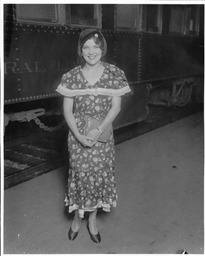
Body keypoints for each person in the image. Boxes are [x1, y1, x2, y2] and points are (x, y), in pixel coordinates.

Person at [56, 28, 131, 243]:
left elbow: (115, 108)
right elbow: (67, 111)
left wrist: (98, 131)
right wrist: (79, 136)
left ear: (102, 48)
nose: (91, 51)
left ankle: (92, 220)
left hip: (102, 133)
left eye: (95, 46)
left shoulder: (114, 74)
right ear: (80, 50)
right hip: (77, 134)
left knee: (98, 176)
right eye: (86, 47)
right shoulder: (70, 77)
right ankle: (77, 220)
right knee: (79, 176)